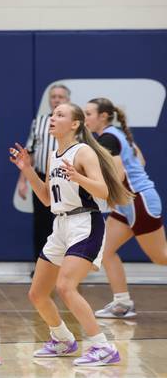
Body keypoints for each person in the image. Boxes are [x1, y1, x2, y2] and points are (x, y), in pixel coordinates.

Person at [10, 102, 132, 366]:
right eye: (53, 114)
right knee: (37, 293)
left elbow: (103, 191)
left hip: (84, 223)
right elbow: (45, 198)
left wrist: (79, 177)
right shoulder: (54, 154)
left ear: (75, 124)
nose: (53, 118)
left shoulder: (83, 151)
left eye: (60, 115)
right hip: (60, 225)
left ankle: (103, 347)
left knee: (65, 286)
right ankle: (63, 340)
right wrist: (28, 169)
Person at [84, 97, 166, 319]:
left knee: (161, 257)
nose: (85, 118)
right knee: (105, 251)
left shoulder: (109, 138)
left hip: (138, 201)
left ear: (103, 116)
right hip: (128, 202)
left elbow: (118, 171)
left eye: (89, 113)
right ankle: (122, 303)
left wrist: (106, 195)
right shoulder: (117, 135)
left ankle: (122, 303)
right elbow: (141, 161)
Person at [17, 84, 71, 270]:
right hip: (41, 177)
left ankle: (66, 267)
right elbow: (30, 152)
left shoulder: (75, 124)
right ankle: (41, 267)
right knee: (41, 223)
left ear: (67, 100)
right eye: (53, 96)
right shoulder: (39, 121)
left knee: (66, 222)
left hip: (66, 179)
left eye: (60, 97)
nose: (56, 99)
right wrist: (23, 180)